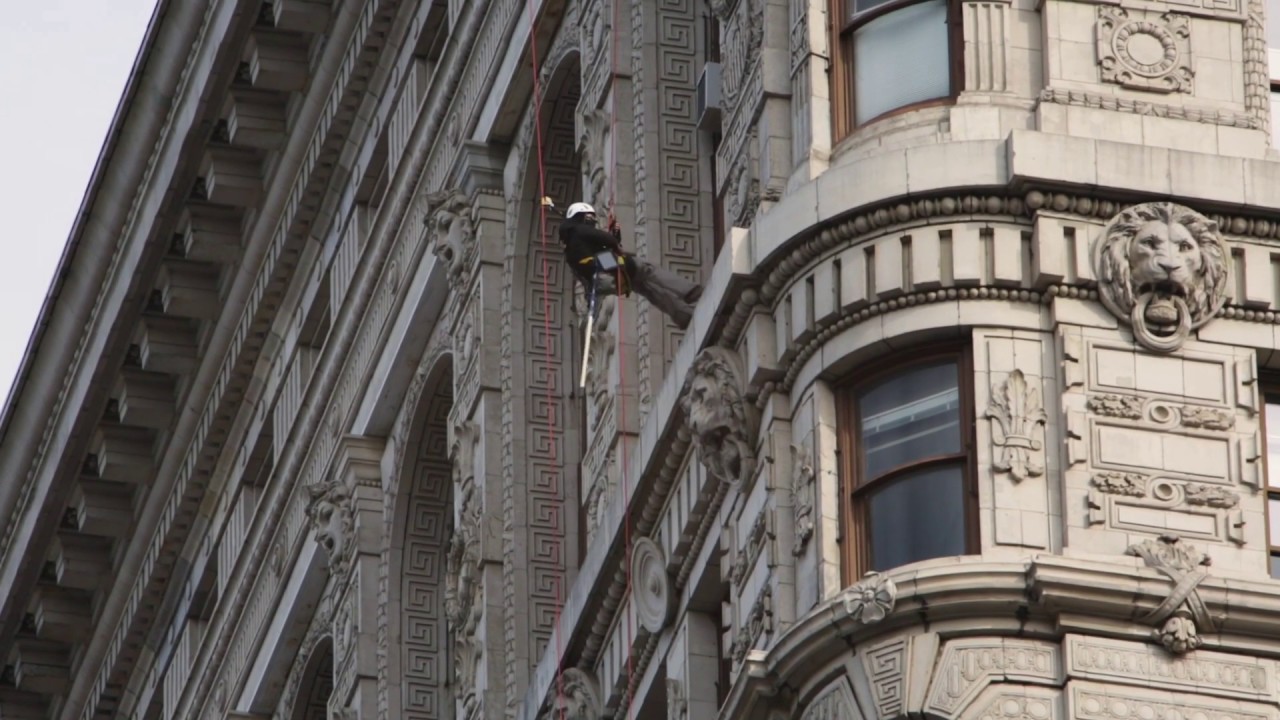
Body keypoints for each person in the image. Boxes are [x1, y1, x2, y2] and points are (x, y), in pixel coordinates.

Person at [558, 202, 703, 329]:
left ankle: (682, 315)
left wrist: (615, 232)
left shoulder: (570, 250)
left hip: (605, 278)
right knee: (648, 271)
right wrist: (615, 231)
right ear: (581, 216)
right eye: (589, 217)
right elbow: (609, 241)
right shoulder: (580, 230)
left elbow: (587, 269)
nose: (592, 221)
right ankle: (690, 291)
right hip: (610, 264)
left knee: (649, 289)